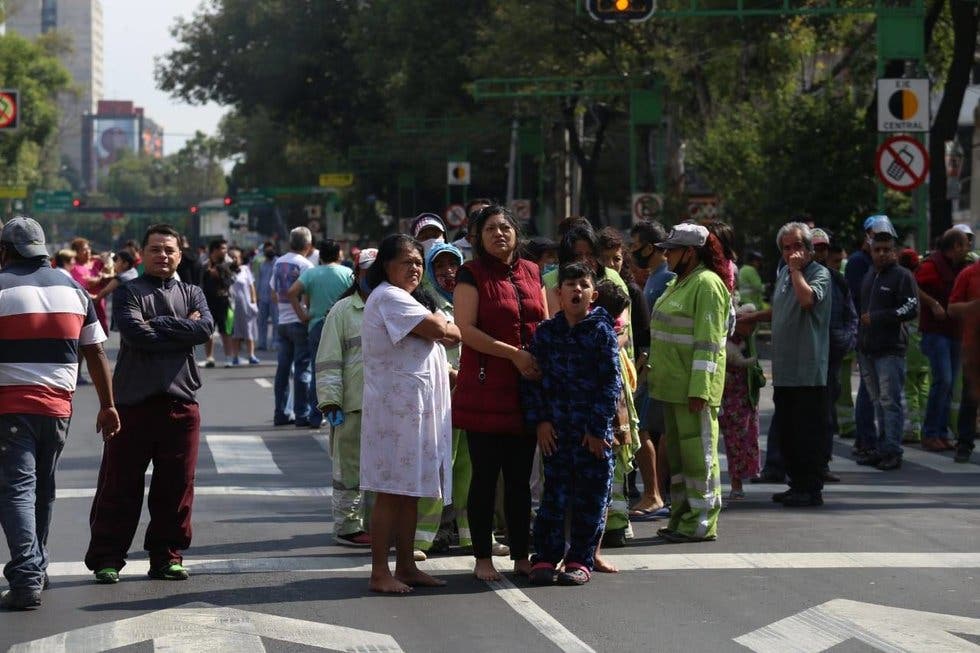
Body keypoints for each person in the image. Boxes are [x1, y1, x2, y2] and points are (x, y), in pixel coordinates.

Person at [85, 224, 214, 584]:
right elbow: (134, 332)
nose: (163, 255)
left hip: (181, 404)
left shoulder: (193, 292)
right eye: (156, 249)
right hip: (133, 406)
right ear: (142, 254)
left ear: (179, 254)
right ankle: (108, 557)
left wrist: (158, 324)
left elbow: (205, 330)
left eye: (169, 250)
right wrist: (179, 328)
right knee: (119, 485)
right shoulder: (128, 292)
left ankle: (167, 556)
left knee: (177, 487)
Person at [0, 218, 118, 611]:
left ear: (6, 250)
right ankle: (38, 564)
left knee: (16, 491)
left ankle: (27, 575)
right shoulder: (74, 289)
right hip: (58, 409)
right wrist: (108, 405)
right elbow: (96, 351)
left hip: (10, 408)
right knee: (42, 489)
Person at [359, 234, 459, 594]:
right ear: (386, 266)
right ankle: (379, 572)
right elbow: (438, 331)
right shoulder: (389, 296)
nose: (415, 267)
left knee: (409, 490)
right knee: (390, 491)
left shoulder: (406, 299)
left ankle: (405, 565)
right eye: (406, 261)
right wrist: (452, 327)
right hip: (395, 415)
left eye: (418, 261)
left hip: (412, 413)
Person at [453, 205, 546, 581]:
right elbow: (465, 329)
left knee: (521, 479)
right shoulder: (470, 273)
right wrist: (514, 355)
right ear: (478, 238)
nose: (499, 234)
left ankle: (522, 554)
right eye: (490, 229)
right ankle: (482, 558)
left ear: (516, 233)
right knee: (486, 478)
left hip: (527, 389)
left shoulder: (533, 271)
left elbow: (545, 320)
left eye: (505, 227)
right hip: (486, 387)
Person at [524, 262, 621, 586]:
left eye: (583, 285)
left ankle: (580, 558)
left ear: (593, 294)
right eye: (570, 284)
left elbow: (611, 384)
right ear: (558, 293)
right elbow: (533, 381)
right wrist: (541, 421)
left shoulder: (601, 332)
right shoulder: (546, 334)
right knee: (554, 497)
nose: (576, 290)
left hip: (590, 435)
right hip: (556, 433)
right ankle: (546, 557)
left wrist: (596, 429)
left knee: (590, 497)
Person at [647, 224, 730, 542]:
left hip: (693, 392)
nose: (664, 254)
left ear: (690, 253)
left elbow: (708, 344)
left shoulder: (707, 284)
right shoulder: (680, 281)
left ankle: (701, 522)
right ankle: (682, 517)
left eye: (671, 249)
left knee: (700, 459)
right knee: (681, 460)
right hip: (672, 389)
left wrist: (700, 389)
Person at [747, 222, 832, 507]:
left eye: (797, 246)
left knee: (808, 432)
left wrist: (796, 270)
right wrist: (751, 318)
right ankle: (796, 483)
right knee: (789, 432)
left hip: (807, 371)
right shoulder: (785, 273)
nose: (792, 253)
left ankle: (810, 487)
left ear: (808, 249)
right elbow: (780, 309)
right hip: (784, 370)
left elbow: (807, 300)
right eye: (786, 248)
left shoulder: (818, 273)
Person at [316, 248, 378, 547]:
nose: (374, 277)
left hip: (388, 406)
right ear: (357, 274)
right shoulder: (343, 311)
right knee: (349, 470)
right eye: (368, 272)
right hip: (352, 406)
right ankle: (347, 526)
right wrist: (330, 401)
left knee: (382, 470)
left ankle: (379, 524)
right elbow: (328, 359)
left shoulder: (395, 306)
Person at [414, 242, 472, 558]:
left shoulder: (470, 299)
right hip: (440, 395)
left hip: (471, 393)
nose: (448, 271)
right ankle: (422, 538)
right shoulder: (426, 302)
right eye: (440, 267)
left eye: (453, 265)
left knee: (468, 467)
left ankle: (470, 535)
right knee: (438, 467)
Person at [854, 219, 918, 470]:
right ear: (870, 250)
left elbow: (911, 307)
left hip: (890, 349)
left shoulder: (902, 276)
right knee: (878, 401)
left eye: (886, 250)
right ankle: (882, 448)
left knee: (890, 401)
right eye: (877, 249)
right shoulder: (871, 275)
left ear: (895, 251)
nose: (881, 254)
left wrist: (880, 318)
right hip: (868, 349)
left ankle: (893, 450)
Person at [626, 220, 672, 519]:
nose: (633, 253)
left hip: (656, 367)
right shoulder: (655, 277)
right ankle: (658, 493)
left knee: (645, 430)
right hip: (651, 365)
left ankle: (657, 493)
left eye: (636, 247)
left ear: (652, 247)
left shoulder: (667, 278)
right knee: (651, 430)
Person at [287, 239, 354, 429]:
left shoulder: (311, 273)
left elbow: (291, 292)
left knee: (319, 371)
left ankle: (314, 416)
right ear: (338, 254)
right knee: (346, 369)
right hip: (344, 325)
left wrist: (303, 315)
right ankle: (343, 412)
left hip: (317, 325)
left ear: (320, 255)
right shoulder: (348, 273)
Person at [915, 227, 971, 451]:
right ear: (956, 246)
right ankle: (930, 433)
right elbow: (915, 286)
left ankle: (940, 432)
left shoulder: (959, 267)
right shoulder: (932, 265)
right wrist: (933, 304)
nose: (968, 249)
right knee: (943, 381)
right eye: (965, 244)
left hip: (953, 332)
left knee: (947, 385)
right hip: (936, 333)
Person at [811, 228, 857, 482]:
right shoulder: (794, 277)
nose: (819, 253)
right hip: (806, 360)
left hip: (831, 357)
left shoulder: (836, 279)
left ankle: (822, 463)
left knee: (826, 413)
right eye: (815, 248)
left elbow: (851, 314)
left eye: (822, 248)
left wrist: (845, 340)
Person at [719, 303, 765, 499]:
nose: (752, 327)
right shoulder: (726, 340)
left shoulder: (747, 340)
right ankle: (736, 483)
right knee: (733, 440)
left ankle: (741, 479)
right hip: (729, 397)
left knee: (745, 438)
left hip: (746, 397)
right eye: (748, 322)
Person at [271, 227, 315, 426]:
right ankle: (301, 413)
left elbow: (273, 291)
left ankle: (280, 413)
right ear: (308, 245)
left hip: (282, 322)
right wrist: (304, 313)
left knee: (282, 369)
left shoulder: (279, 262)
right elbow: (307, 296)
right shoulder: (306, 265)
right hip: (299, 322)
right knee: (302, 370)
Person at [844, 218, 880, 459]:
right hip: (865, 332)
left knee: (875, 389)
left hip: (876, 332)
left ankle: (867, 438)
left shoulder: (871, 262)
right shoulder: (859, 262)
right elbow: (861, 297)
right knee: (869, 388)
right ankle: (866, 438)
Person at [947, 252, 980, 462]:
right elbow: (952, 308)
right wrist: (972, 307)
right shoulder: (969, 274)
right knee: (970, 398)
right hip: (973, 349)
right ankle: (964, 444)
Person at [898, 249, 930, 444]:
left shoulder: (903, 285)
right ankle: (927, 425)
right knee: (924, 387)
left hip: (908, 347)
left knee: (909, 389)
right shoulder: (924, 286)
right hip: (924, 347)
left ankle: (912, 428)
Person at [199, 238, 234, 368]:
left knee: (226, 331)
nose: (225, 251)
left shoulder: (228, 264)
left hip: (224, 301)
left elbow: (231, 282)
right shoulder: (204, 264)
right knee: (209, 331)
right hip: (207, 302)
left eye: (226, 248)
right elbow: (200, 284)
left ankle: (228, 358)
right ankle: (209, 358)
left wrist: (220, 275)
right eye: (223, 248)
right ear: (215, 250)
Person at [227, 247, 260, 365]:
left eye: (236, 257)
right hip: (233, 307)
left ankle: (251, 355)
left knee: (249, 331)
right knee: (235, 333)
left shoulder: (245, 269)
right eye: (232, 257)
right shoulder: (227, 271)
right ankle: (235, 356)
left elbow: (251, 286)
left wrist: (253, 302)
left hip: (246, 306)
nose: (234, 259)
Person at [70, 237, 110, 333]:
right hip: (86, 305)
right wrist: (102, 276)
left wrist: (102, 258)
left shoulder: (96, 262)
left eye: (88, 248)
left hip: (100, 304)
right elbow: (89, 283)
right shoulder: (75, 267)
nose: (88, 251)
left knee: (102, 331)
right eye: (84, 250)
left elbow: (110, 264)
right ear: (76, 252)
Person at [255, 242, 278, 351]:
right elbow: (259, 279)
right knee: (261, 322)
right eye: (266, 250)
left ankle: (275, 342)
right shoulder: (262, 264)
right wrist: (257, 294)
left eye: (270, 249)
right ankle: (262, 343)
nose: (269, 251)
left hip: (275, 297)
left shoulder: (278, 263)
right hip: (263, 297)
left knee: (276, 321)